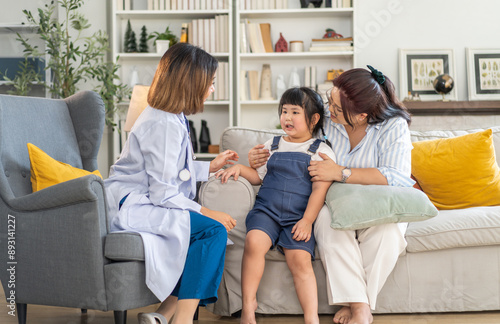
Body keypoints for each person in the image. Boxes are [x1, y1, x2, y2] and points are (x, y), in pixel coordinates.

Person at [248, 66, 414, 324]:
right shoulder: (327, 117)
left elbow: (396, 177)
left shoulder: (393, 127)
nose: (329, 110)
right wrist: (258, 157)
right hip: (338, 200)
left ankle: (359, 306)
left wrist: (341, 172)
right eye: (329, 102)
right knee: (327, 224)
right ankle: (360, 306)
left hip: (382, 201)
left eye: (336, 108)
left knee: (387, 235)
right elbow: (294, 130)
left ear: (361, 116)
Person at [104, 43, 239, 324]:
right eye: (210, 83)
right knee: (213, 231)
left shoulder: (172, 116)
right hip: (137, 206)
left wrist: (207, 167)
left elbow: (168, 171)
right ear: (191, 83)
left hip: (146, 198)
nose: (212, 90)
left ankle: (162, 316)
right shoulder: (162, 123)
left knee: (209, 235)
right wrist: (207, 212)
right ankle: (182, 320)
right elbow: (163, 191)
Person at [217, 87, 336, 324]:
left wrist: (307, 221)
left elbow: (319, 190)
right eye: (284, 111)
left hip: (298, 216)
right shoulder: (272, 144)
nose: (287, 118)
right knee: (253, 242)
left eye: (295, 112)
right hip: (267, 211)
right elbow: (259, 177)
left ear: (313, 119)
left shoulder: (321, 150)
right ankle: (248, 305)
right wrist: (240, 169)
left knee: (300, 260)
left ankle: (311, 317)